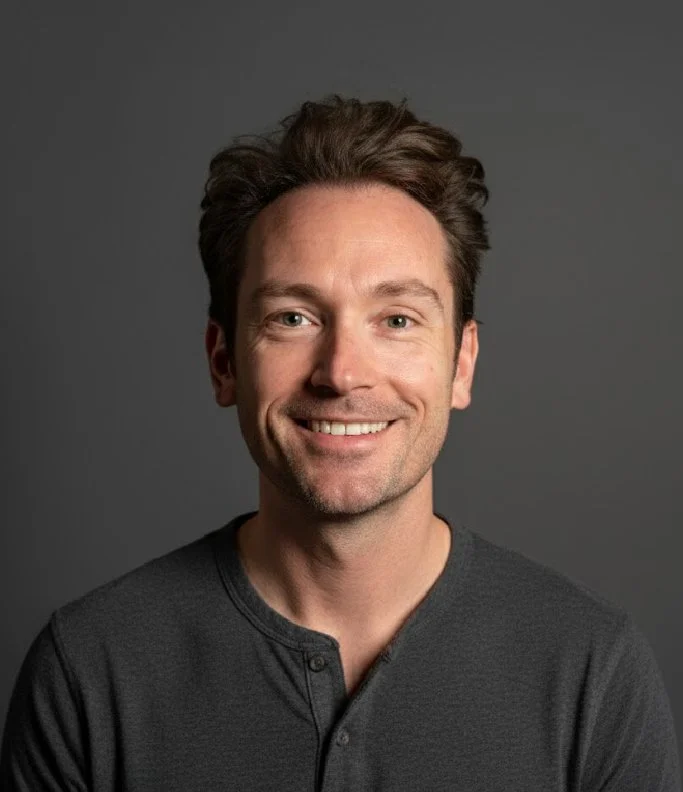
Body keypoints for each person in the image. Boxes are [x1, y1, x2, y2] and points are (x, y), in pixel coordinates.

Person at [1, 95, 680, 791]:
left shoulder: (591, 670)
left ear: (462, 364)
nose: (341, 373)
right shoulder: (89, 668)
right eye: (292, 317)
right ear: (223, 361)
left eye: (397, 318)